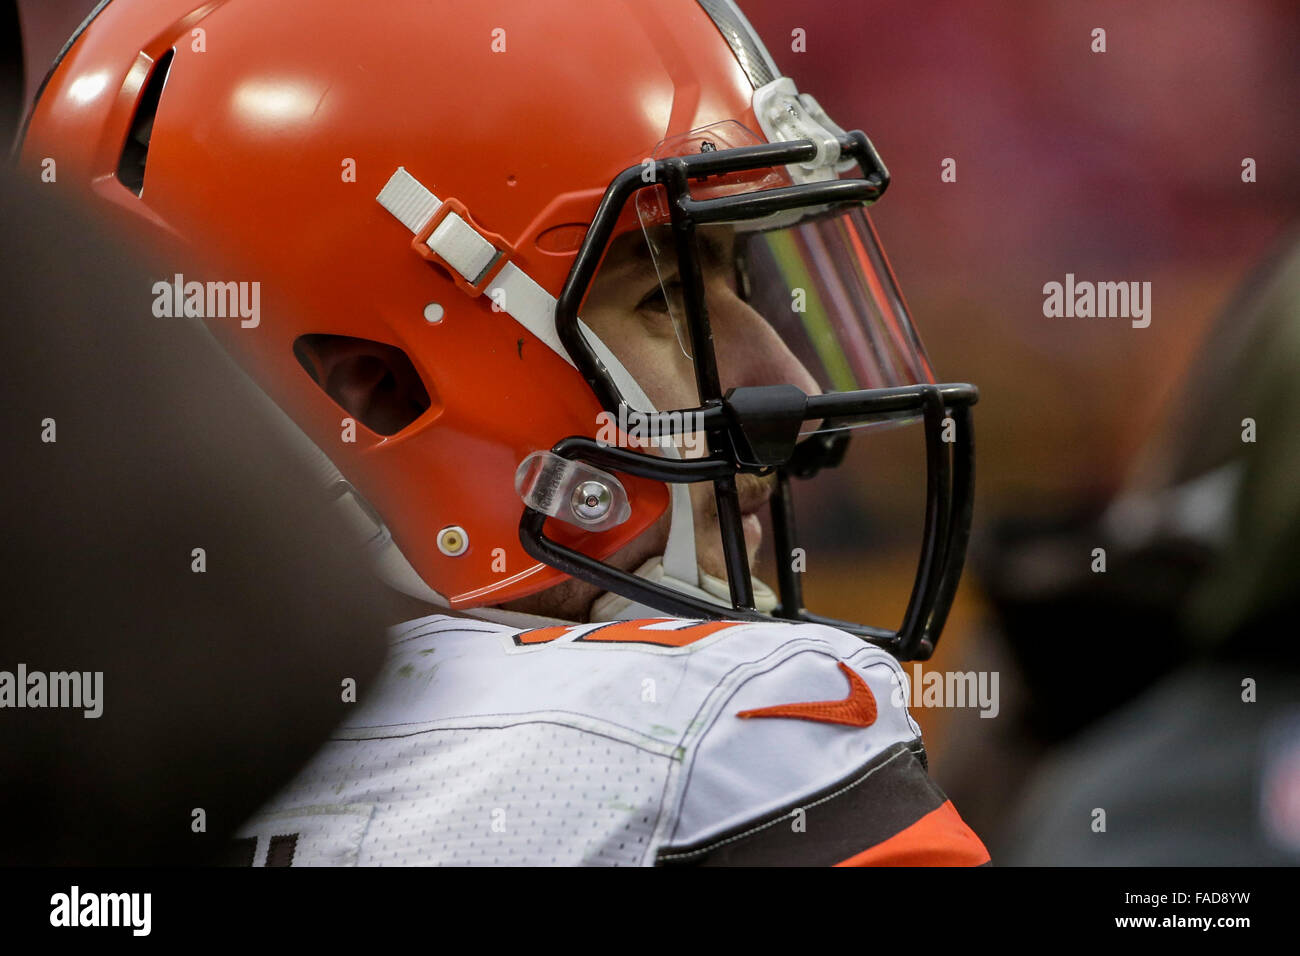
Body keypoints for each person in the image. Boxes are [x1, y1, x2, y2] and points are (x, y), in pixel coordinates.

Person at [22, 0, 987, 865]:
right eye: (666, 297)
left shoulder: (82, 773)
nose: (793, 384)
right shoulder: (716, 752)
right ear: (376, 393)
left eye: (739, 280)